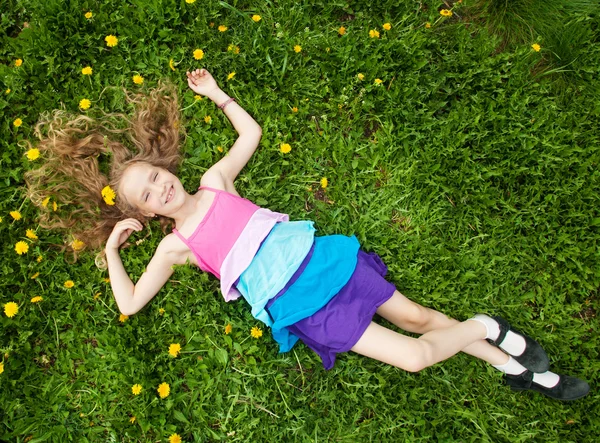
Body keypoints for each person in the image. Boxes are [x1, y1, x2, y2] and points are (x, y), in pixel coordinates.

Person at [26, 69, 589, 401]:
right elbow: (128, 303)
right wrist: (110, 249)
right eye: (146, 196)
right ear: (144, 215)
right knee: (416, 357)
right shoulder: (177, 247)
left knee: (419, 319)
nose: (159, 190)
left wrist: (218, 95)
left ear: (165, 166)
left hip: (324, 263)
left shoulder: (215, 182)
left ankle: (508, 366)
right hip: (305, 307)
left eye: (155, 177)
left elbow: (252, 132)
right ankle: (489, 327)